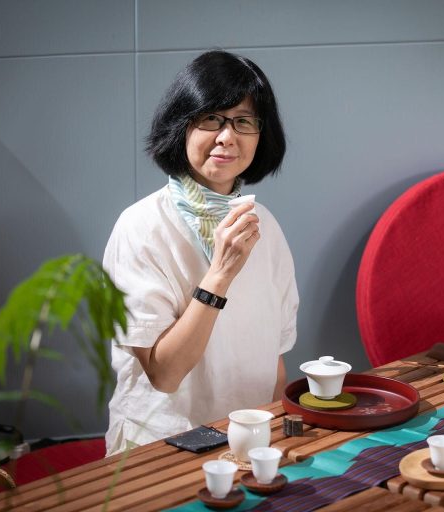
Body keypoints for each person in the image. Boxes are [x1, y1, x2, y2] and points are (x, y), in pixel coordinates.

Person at [103, 50, 299, 456]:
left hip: (248, 441)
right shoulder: (140, 227)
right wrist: (220, 274)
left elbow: (275, 363)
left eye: (244, 121)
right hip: (161, 447)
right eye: (211, 118)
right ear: (182, 125)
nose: (227, 136)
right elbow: (164, 374)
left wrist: (273, 440)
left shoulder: (265, 225)